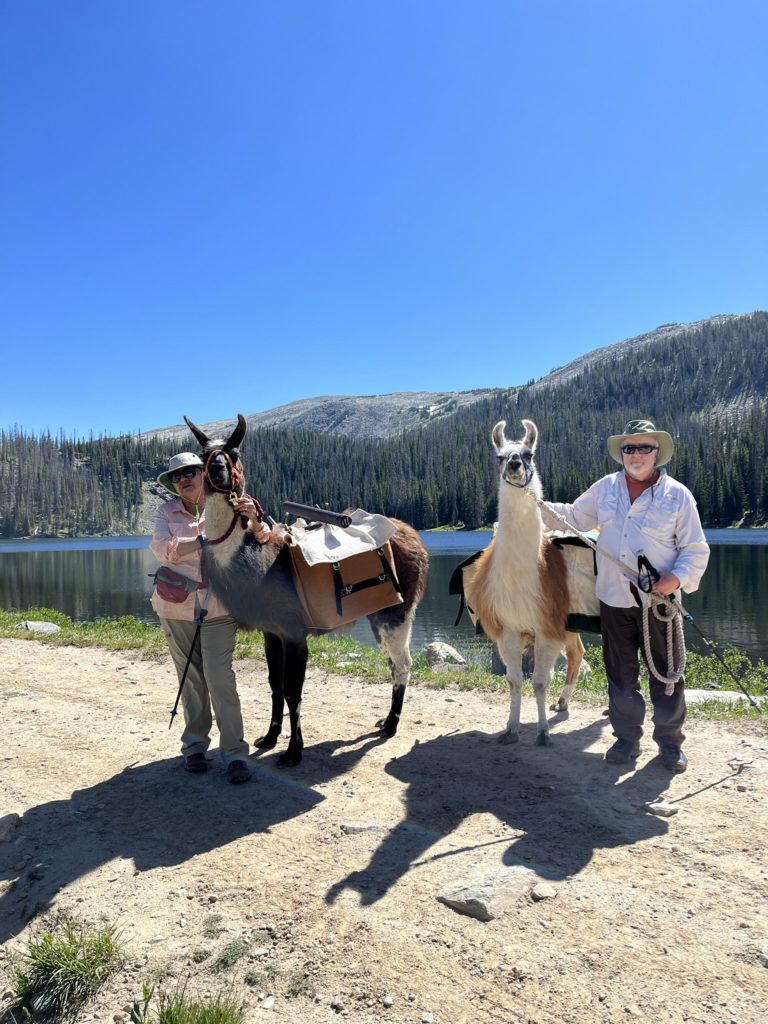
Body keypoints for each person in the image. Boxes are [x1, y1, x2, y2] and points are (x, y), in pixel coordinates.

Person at [540, 419, 710, 772]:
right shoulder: (605, 489)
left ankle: (669, 742)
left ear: (656, 453)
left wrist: (675, 579)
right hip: (614, 599)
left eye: (644, 448)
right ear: (621, 453)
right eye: (630, 448)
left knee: (667, 674)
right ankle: (626, 740)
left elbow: (695, 548)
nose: (636, 454)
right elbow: (572, 516)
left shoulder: (678, 495)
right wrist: (530, 500)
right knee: (620, 673)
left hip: (660, 603)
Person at [150, 451, 271, 783]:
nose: (185, 478)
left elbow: (263, 540)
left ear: (204, 474)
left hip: (220, 607)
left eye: (191, 471)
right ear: (173, 484)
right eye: (178, 475)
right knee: (191, 679)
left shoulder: (231, 505)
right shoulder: (165, 512)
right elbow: (164, 550)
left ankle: (234, 754)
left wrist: (255, 520)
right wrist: (205, 539)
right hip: (175, 607)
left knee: (220, 677)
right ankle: (195, 748)